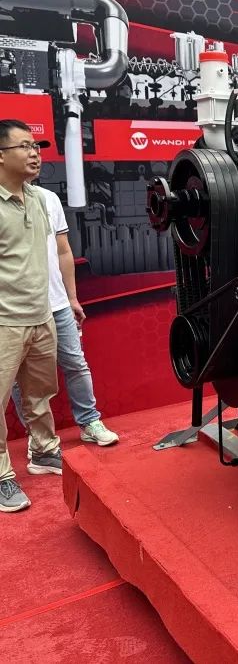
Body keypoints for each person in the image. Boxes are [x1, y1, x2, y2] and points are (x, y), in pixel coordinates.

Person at [9, 183, 119, 449]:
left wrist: (71, 298)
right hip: (15, 310)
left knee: (75, 364)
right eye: (26, 155)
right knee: (20, 378)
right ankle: (38, 437)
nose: (35, 161)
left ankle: (90, 422)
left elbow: (63, 250)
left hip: (56, 304)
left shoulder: (49, 198)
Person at [0, 119, 62, 513]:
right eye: (24, 146)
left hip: (42, 315)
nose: (35, 153)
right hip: (4, 321)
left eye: (36, 146)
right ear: (1, 156)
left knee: (40, 393)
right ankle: (1, 476)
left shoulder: (40, 198)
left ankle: (43, 451)